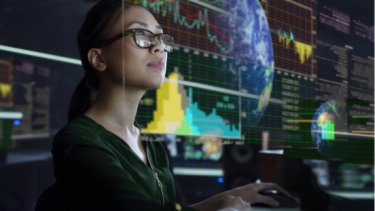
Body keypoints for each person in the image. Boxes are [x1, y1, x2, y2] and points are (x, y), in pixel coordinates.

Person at [48, 0, 293, 210]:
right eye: (141, 35)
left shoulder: (149, 142)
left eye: (161, 37)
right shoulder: (79, 141)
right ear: (99, 58)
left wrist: (229, 198)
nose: (159, 47)